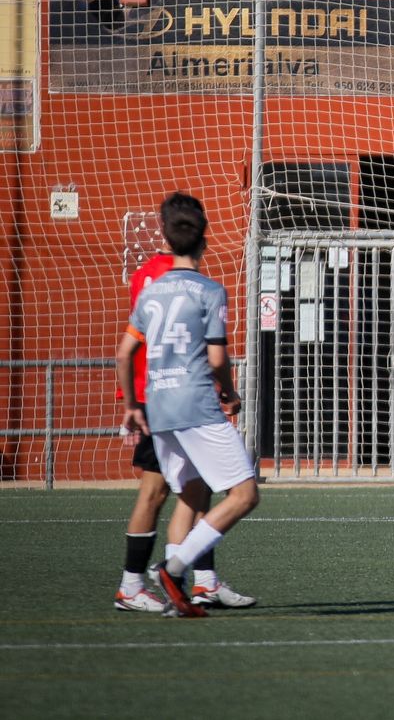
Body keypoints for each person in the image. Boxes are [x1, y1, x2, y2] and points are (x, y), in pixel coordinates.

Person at [115, 193, 261, 618]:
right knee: (245, 495)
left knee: (190, 494)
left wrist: (131, 405)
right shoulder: (210, 291)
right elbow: (216, 358)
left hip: (158, 407)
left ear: (166, 238)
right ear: (205, 241)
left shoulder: (151, 290)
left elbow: (124, 353)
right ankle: (173, 569)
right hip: (195, 403)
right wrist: (229, 392)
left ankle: (185, 590)